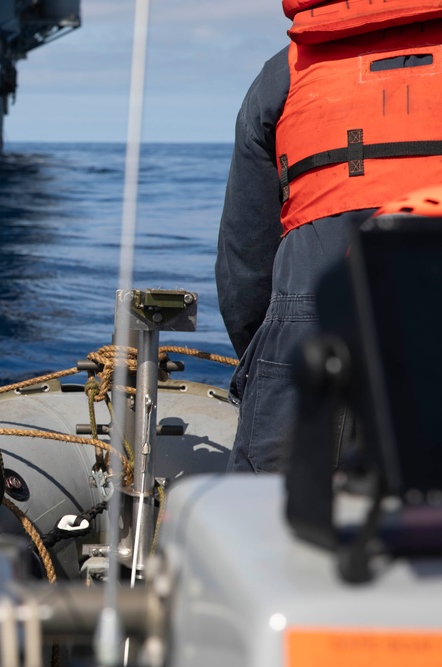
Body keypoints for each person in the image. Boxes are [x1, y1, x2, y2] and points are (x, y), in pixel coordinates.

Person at [215, 0, 442, 473]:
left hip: (311, 345)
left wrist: (271, 362)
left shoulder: (282, 75)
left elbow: (245, 269)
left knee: (275, 533)